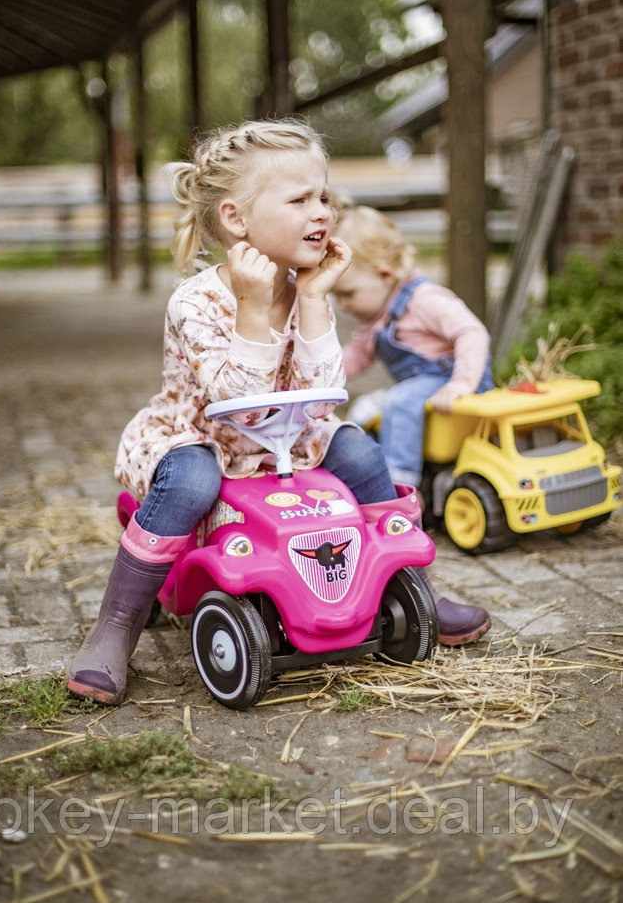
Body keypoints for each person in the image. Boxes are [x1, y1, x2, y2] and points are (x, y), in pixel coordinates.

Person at [68, 121, 488, 706]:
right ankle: (116, 625)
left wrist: (314, 302)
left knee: (360, 451)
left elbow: (321, 399)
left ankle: (412, 581)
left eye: (324, 198)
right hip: (208, 435)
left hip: (291, 434)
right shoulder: (197, 301)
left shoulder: (308, 288)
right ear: (238, 219)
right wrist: (251, 307)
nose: (322, 213)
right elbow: (236, 396)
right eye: (300, 200)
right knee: (191, 480)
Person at [333, 205, 494, 487]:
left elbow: (472, 332)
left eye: (348, 294)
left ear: (384, 275)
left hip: (454, 383)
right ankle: (364, 472)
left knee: (400, 400)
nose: (343, 305)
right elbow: (356, 355)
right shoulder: (376, 318)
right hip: (422, 390)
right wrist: (321, 379)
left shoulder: (425, 300)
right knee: (364, 409)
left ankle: (401, 482)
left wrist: (461, 383)